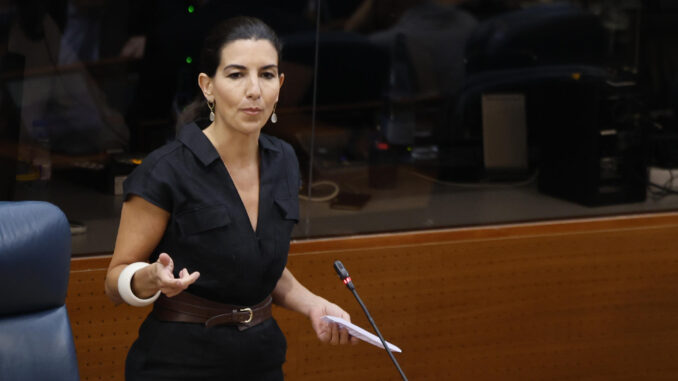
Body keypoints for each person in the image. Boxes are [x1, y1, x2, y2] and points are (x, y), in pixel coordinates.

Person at [104, 16, 358, 380]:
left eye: (267, 75)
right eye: (236, 75)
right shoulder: (166, 169)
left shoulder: (284, 160)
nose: (254, 90)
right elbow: (114, 281)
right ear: (208, 86)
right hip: (179, 364)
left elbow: (258, 265)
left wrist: (315, 305)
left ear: (280, 85)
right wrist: (151, 278)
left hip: (262, 359)